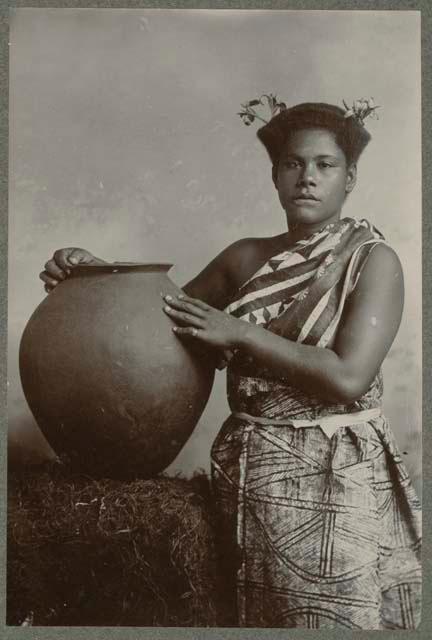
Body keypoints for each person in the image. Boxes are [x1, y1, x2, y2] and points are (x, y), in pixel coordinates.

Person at [40, 101, 421, 630]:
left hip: (339, 472)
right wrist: (90, 270)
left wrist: (240, 332)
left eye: (325, 165)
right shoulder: (244, 257)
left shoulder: (372, 260)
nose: (306, 178)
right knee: (250, 613)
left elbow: (348, 377)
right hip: (250, 465)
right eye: (292, 164)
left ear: (350, 176)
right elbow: (162, 327)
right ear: (274, 175)